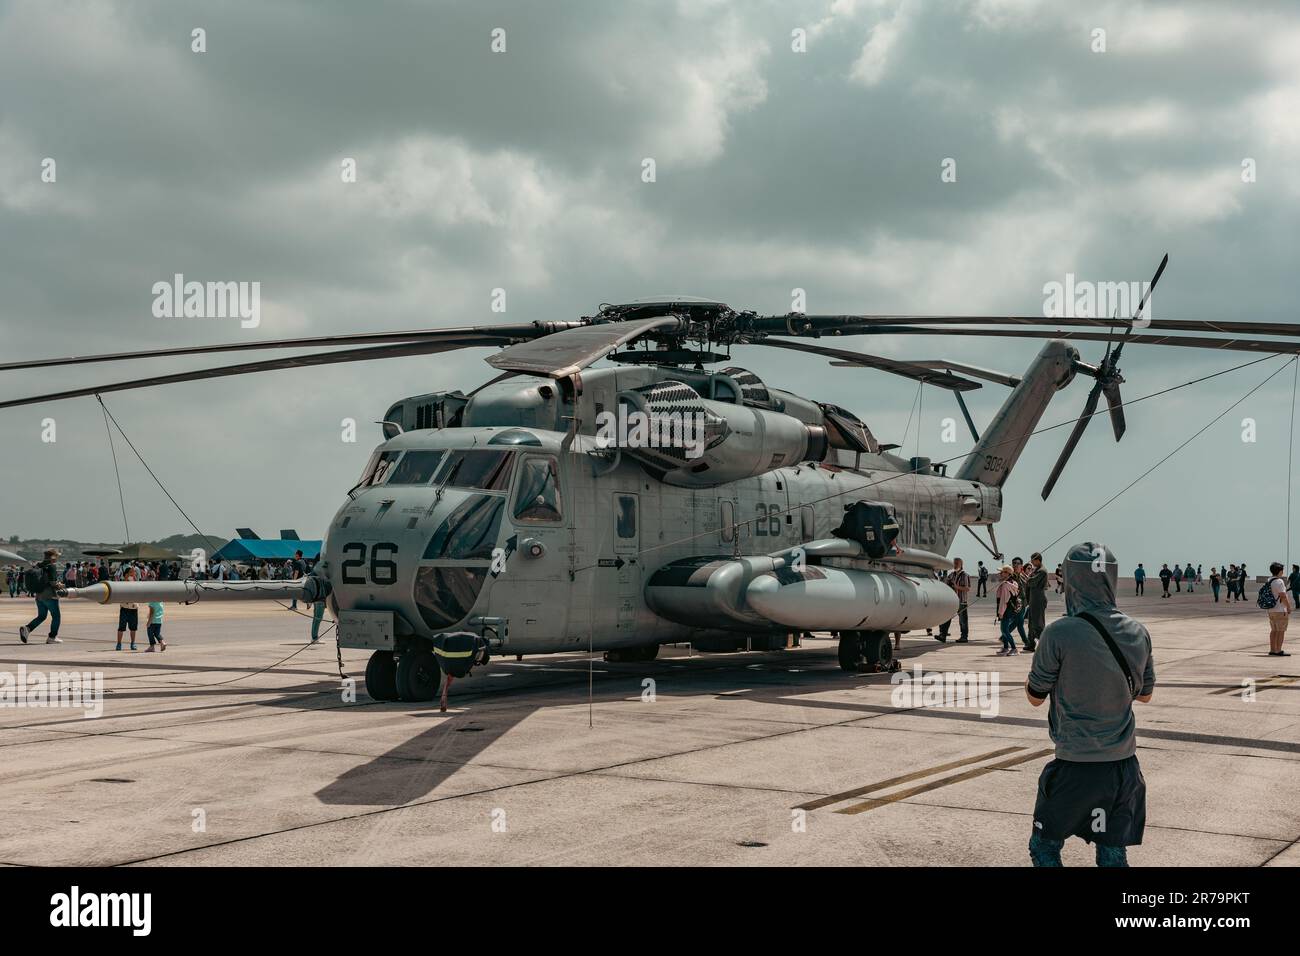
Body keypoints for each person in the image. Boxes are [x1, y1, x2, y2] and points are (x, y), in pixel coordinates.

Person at [1025, 542, 1155, 867]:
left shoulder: (1059, 633)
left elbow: (1034, 697)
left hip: (1074, 764)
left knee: (1044, 847)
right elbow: (1145, 694)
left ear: (1071, 581)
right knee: (1112, 854)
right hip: (1122, 766)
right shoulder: (1138, 632)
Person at [18, 548, 66, 644]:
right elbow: (53, 583)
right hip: (49, 596)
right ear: (53, 557)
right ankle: (52, 637)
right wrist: (60, 585)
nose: (57, 558)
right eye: (57, 556)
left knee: (41, 616)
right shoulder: (52, 566)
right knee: (56, 616)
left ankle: (28, 628)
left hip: (39, 595)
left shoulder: (38, 565)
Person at [935, 557, 971, 643]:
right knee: (946, 617)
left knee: (963, 620)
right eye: (954, 564)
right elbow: (946, 584)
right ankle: (943, 635)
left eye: (956, 564)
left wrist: (956, 587)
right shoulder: (951, 575)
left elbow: (967, 588)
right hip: (952, 601)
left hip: (961, 601)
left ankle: (964, 637)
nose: (954, 565)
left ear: (961, 565)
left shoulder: (965, 575)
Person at [1263, 562, 1292, 657]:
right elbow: (1283, 596)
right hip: (1280, 610)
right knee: (1281, 630)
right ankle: (1278, 650)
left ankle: (1272, 649)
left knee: (1274, 630)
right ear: (1279, 571)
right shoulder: (1279, 582)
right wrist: (1288, 607)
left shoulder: (1269, 580)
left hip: (1271, 609)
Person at [995, 565, 1023, 656]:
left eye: (1002, 572)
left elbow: (1004, 600)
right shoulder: (1013, 583)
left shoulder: (1005, 585)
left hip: (1005, 610)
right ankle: (1006, 647)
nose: (1000, 573)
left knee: (1004, 630)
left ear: (1007, 573)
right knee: (1004, 630)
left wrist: (1000, 612)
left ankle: (1014, 648)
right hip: (1010, 609)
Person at [1025, 552, 1048, 652]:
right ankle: (1031, 644)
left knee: (1038, 624)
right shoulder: (1036, 570)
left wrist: (1027, 577)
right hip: (1033, 599)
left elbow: (1032, 582)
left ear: (1038, 560)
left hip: (1038, 600)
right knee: (1031, 623)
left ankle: (1044, 645)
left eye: (1033, 560)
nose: (1032, 563)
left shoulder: (1042, 571)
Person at [116, 566, 141, 651]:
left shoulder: (136, 583)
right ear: (126, 574)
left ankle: (133, 643)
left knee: (133, 628)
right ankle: (119, 643)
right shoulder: (122, 583)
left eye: (134, 572)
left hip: (134, 608)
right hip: (124, 607)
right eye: (131, 572)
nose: (133, 573)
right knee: (121, 627)